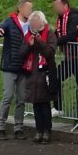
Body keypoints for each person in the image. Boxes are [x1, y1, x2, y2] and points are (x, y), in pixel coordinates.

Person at [0, 0, 33, 140]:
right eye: (28, 8)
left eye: (31, 9)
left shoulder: (31, 24)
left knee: (21, 99)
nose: (30, 11)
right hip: (10, 66)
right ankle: (0, 126)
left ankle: (18, 128)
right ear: (20, 8)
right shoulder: (10, 21)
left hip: (24, 67)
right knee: (8, 96)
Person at [24, 11, 59, 144]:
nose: (34, 24)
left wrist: (39, 42)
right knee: (36, 104)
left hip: (46, 73)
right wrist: (30, 45)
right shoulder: (28, 35)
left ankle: (47, 131)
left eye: (36, 22)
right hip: (32, 73)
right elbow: (22, 53)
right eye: (32, 22)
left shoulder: (50, 34)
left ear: (42, 22)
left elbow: (50, 53)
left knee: (45, 104)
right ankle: (38, 130)